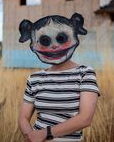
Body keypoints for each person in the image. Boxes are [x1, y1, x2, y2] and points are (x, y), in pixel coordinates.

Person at [18, 13, 100, 142]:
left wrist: (45, 134)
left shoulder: (85, 73)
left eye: (61, 38)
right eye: (45, 41)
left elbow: (85, 118)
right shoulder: (34, 79)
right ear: (34, 44)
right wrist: (31, 136)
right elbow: (23, 118)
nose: (54, 46)